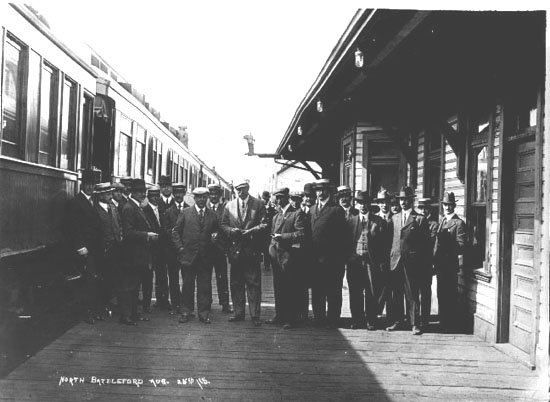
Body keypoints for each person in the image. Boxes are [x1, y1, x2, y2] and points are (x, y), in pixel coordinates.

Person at [220, 180, 268, 327]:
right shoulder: (229, 206)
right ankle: (238, 313)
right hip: (235, 251)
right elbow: (223, 224)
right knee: (236, 283)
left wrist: (252, 231)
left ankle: (255, 315)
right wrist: (230, 231)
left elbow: (265, 224)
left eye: (242, 189)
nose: (240, 192)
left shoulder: (258, 204)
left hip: (251, 250)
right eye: (237, 190)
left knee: (253, 283)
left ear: (248, 188)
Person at [387, 186, 430, 335]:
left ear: (411, 201)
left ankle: (414, 323)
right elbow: (390, 240)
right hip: (396, 260)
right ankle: (398, 321)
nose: (403, 202)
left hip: (412, 262)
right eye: (401, 200)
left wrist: (421, 263)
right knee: (396, 293)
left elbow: (425, 245)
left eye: (406, 199)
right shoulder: (394, 218)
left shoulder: (419, 219)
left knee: (412, 293)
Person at [172, 187, 219, 324]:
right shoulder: (185, 213)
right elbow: (175, 232)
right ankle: (186, 312)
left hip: (205, 257)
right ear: (194, 198)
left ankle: (203, 314)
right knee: (187, 286)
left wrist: (215, 236)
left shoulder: (212, 215)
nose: (201, 200)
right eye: (198, 197)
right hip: (188, 257)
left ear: (207, 198)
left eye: (204, 197)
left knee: (204, 287)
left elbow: (216, 231)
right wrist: (180, 248)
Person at [65, 169, 103, 324]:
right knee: (86, 281)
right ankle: (87, 312)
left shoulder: (93, 201)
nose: (90, 187)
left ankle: (93, 310)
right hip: (85, 249)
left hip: (95, 248)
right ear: (82, 184)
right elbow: (73, 227)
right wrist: (80, 246)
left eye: (92, 184)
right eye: (87, 184)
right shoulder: (76, 202)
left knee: (93, 280)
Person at [308, 179, 347, 329]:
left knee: (333, 291)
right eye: (318, 190)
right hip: (314, 260)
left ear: (328, 192)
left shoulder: (336, 210)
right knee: (317, 291)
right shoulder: (312, 210)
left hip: (332, 260)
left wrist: (338, 258)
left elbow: (342, 237)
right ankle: (319, 318)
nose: (320, 193)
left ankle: (333, 320)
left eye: (323, 190)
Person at [120, 179, 159, 325]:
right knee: (130, 285)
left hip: (138, 253)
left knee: (136, 285)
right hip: (132, 254)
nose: (144, 194)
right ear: (134, 193)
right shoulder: (130, 208)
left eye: (144, 192)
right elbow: (128, 233)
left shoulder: (136, 206)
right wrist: (147, 235)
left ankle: (134, 314)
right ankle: (126, 316)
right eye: (141, 192)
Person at [266, 187, 304, 329]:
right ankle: (279, 314)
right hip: (276, 256)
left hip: (289, 256)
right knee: (278, 286)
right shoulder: (276, 216)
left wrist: (283, 237)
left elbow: (300, 234)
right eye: (276, 197)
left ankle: (290, 318)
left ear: (287, 198)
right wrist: (271, 249)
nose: (278, 200)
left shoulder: (296, 214)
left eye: (281, 197)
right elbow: (271, 235)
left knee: (289, 287)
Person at [346, 191, 384, 329]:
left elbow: (383, 244)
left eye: (365, 203)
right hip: (354, 262)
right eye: (360, 203)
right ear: (356, 204)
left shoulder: (378, 221)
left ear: (369, 204)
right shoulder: (351, 221)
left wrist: (379, 262)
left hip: (371, 262)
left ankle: (371, 320)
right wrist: (349, 257)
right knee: (355, 291)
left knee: (371, 291)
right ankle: (357, 319)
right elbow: (346, 242)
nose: (362, 206)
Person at [433, 192, 467, 333]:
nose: (447, 207)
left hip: (450, 265)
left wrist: (447, 245)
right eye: (445, 205)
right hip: (440, 264)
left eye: (450, 205)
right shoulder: (442, 221)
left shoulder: (458, 223)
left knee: (449, 294)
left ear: (454, 206)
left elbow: (461, 245)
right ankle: (443, 321)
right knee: (441, 293)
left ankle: (450, 324)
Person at [93, 182, 123, 318]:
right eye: (107, 194)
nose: (110, 196)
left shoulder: (113, 207)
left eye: (110, 193)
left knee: (113, 279)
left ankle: (110, 305)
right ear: (99, 196)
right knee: (101, 280)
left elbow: (119, 224)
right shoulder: (94, 209)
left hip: (115, 249)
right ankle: (100, 307)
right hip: (102, 250)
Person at [161, 183, 188, 315]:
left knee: (187, 279)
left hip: (186, 251)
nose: (178, 195)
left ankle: (186, 305)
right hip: (172, 251)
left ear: (184, 193)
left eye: (180, 192)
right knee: (173, 279)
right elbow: (165, 230)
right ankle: (175, 304)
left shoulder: (190, 209)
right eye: (176, 193)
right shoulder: (168, 211)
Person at [207, 183, 232, 313]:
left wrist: (220, 235)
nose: (214, 197)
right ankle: (207, 302)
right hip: (207, 249)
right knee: (206, 277)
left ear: (220, 196)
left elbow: (227, 226)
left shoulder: (225, 209)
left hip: (220, 249)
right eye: (211, 194)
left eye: (216, 194)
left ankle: (225, 303)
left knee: (222, 276)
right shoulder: (204, 208)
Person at [417, 197, 440, 329]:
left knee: (425, 292)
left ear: (430, 210)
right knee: (415, 292)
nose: (423, 211)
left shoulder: (433, 225)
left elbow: (433, 246)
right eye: (421, 208)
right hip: (415, 263)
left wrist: (431, 263)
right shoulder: (416, 221)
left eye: (426, 208)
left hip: (426, 263)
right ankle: (415, 318)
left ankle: (425, 319)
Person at [142, 185, 163, 314]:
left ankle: (161, 301)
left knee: (161, 275)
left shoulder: (162, 209)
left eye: (157, 196)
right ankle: (146, 303)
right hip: (150, 248)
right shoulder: (144, 210)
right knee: (147, 277)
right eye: (152, 196)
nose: (155, 199)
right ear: (148, 197)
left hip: (160, 249)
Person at [297, 183, 316, 322]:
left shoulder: (317, 210)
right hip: (301, 253)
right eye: (306, 196)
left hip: (314, 252)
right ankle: (302, 312)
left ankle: (317, 313)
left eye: (310, 196)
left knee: (316, 285)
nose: (308, 198)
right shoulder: (299, 210)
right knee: (301, 285)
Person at [261, 190, 277, 270]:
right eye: (264, 199)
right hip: (260, 231)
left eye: (266, 199)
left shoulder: (272, 208)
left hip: (267, 231)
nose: (265, 200)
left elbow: (273, 218)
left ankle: (267, 264)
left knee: (267, 248)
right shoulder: (259, 206)